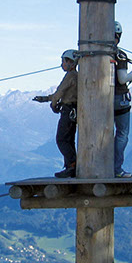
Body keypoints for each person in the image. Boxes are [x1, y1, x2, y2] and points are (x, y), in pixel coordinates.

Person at [33, 49, 78, 178]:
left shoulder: (70, 76)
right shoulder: (76, 76)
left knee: (61, 139)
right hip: (73, 110)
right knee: (69, 139)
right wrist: (45, 98)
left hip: (68, 110)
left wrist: (53, 105)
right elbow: (60, 94)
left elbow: (59, 93)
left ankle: (72, 165)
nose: (61, 64)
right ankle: (71, 166)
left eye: (63, 61)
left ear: (70, 62)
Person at [112, 21, 132, 178]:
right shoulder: (120, 55)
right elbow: (122, 79)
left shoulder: (99, 54)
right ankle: (117, 168)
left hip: (101, 99)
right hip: (120, 99)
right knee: (122, 134)